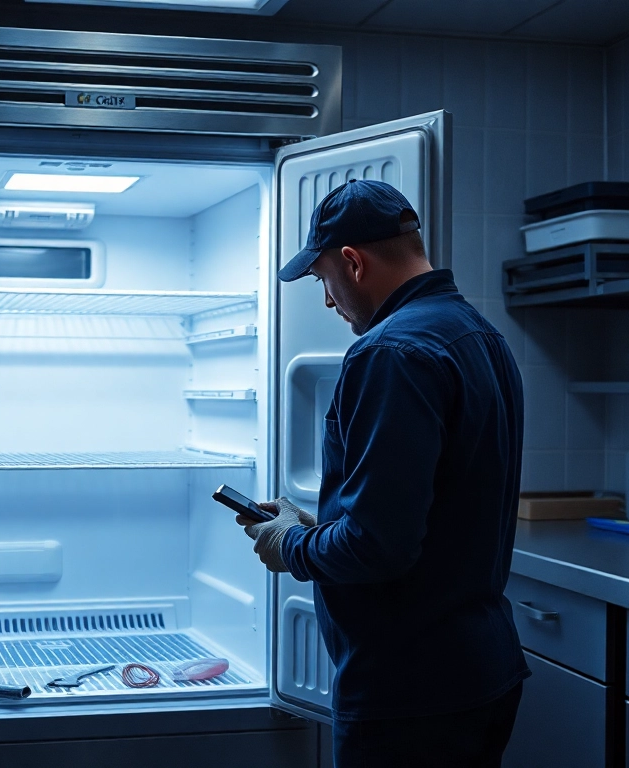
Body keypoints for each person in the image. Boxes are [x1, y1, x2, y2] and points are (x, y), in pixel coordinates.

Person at [237, 180, 528, 768]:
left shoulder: (389, 351)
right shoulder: (478, 335)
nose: (327, 299)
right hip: (477, 665)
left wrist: (290, 545)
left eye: (322, 279)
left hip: (410, 688)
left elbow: (378, 548)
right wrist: (320, 525)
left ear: (352, 261)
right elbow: (430, 512)